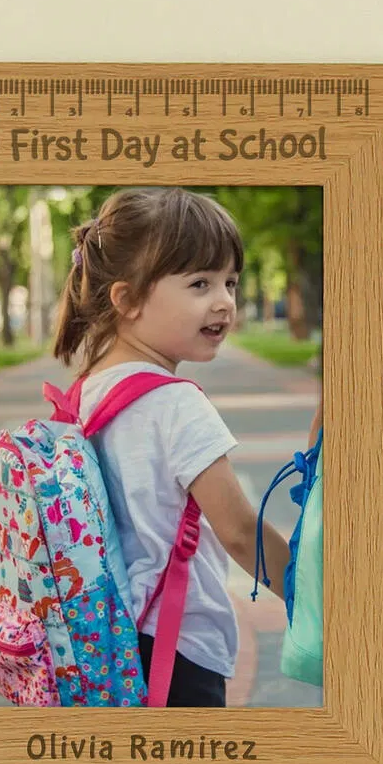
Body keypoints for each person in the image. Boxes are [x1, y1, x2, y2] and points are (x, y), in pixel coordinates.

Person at [51, 186, 313, 708]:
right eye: (199, 283)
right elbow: (239, 531)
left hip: (111, 639)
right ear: (125, 299)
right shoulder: (175, 406)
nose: (223, 301)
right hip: (178, 647)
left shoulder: (86, 391)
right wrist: (312, 603)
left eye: (230, 282)